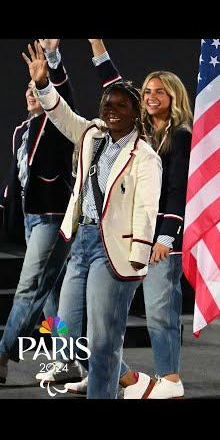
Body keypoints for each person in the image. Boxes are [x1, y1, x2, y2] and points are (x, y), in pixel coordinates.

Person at [23, 41, 162, 399]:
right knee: (67, 331)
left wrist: (137, 257)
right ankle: (127, 377)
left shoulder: (144, 157)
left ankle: (104, 390)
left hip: (113, 250)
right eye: (107, 105)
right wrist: (42, 84)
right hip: (81, 241)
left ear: (136, 114)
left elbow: (146, 210)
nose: (112, 110)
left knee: (103, 339)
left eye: (121, 105)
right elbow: (60, 113)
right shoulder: (91, 135)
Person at [60, 40, 192, 399]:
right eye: (147, 91)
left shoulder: (178, 136)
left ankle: (169, 379)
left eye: (159, 92)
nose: (150, 96)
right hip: (114, 233)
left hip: (157, 235)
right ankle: (111, 374)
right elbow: (114, 89)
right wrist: (96, 46)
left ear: (174, 97)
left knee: (159, 311)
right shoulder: (137, 127)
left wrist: (163, 238)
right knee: (84, 325)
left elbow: (175, 191)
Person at [0, 40, 75, 384]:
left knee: (29, 288)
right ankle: (67, 358)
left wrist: (52, 65)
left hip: (51, 217)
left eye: (38, 87)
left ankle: (2, 352)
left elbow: (64, 95)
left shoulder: (60, 122)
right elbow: (17, 176)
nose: (32, 92)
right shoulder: (21, 130)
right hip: (31, 218)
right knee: (49, 296)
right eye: (29, 88)